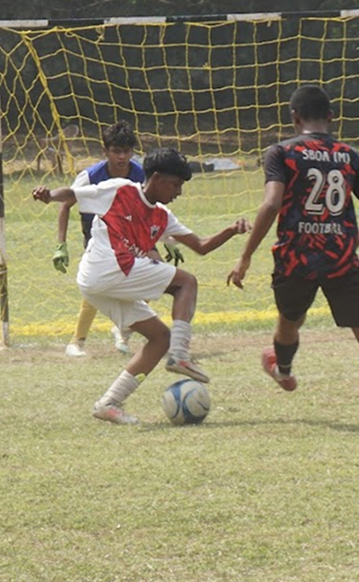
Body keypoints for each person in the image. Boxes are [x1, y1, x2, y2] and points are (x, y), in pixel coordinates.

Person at [227, 83, 359, 428]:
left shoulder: (281, 152)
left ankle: (284, 371)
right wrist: (350, 244)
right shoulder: (352, 156)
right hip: (340, 259)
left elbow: (272, 203)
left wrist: (245, 256)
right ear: (331, 117)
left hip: (296, 258)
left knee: (288, 321)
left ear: (294, 117)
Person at [32, 147, 248, 425]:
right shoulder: (121, 189)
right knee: (187, 282)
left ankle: (109, 403)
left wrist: (231, 230)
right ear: (156, 178)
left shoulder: (163, 216)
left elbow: (201, 246)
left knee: (160, 338)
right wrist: (49, 196)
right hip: (107, 268)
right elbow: (73, 194)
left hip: (96, 284)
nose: (179, 192)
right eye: (176, 184)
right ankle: (180, 356)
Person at [53, 122, 147, 358]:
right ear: (105, 152)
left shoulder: (139, 174)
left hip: (130, 239)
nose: (122, 156)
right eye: (116, 151)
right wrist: (60, 245)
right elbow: (66, 206)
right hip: (98, 241)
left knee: (142, 281)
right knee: (94, 289)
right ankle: (77, 342)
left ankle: (122, 330)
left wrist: (164, 239)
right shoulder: (91, 176)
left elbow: (151, 207)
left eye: (127, 151)